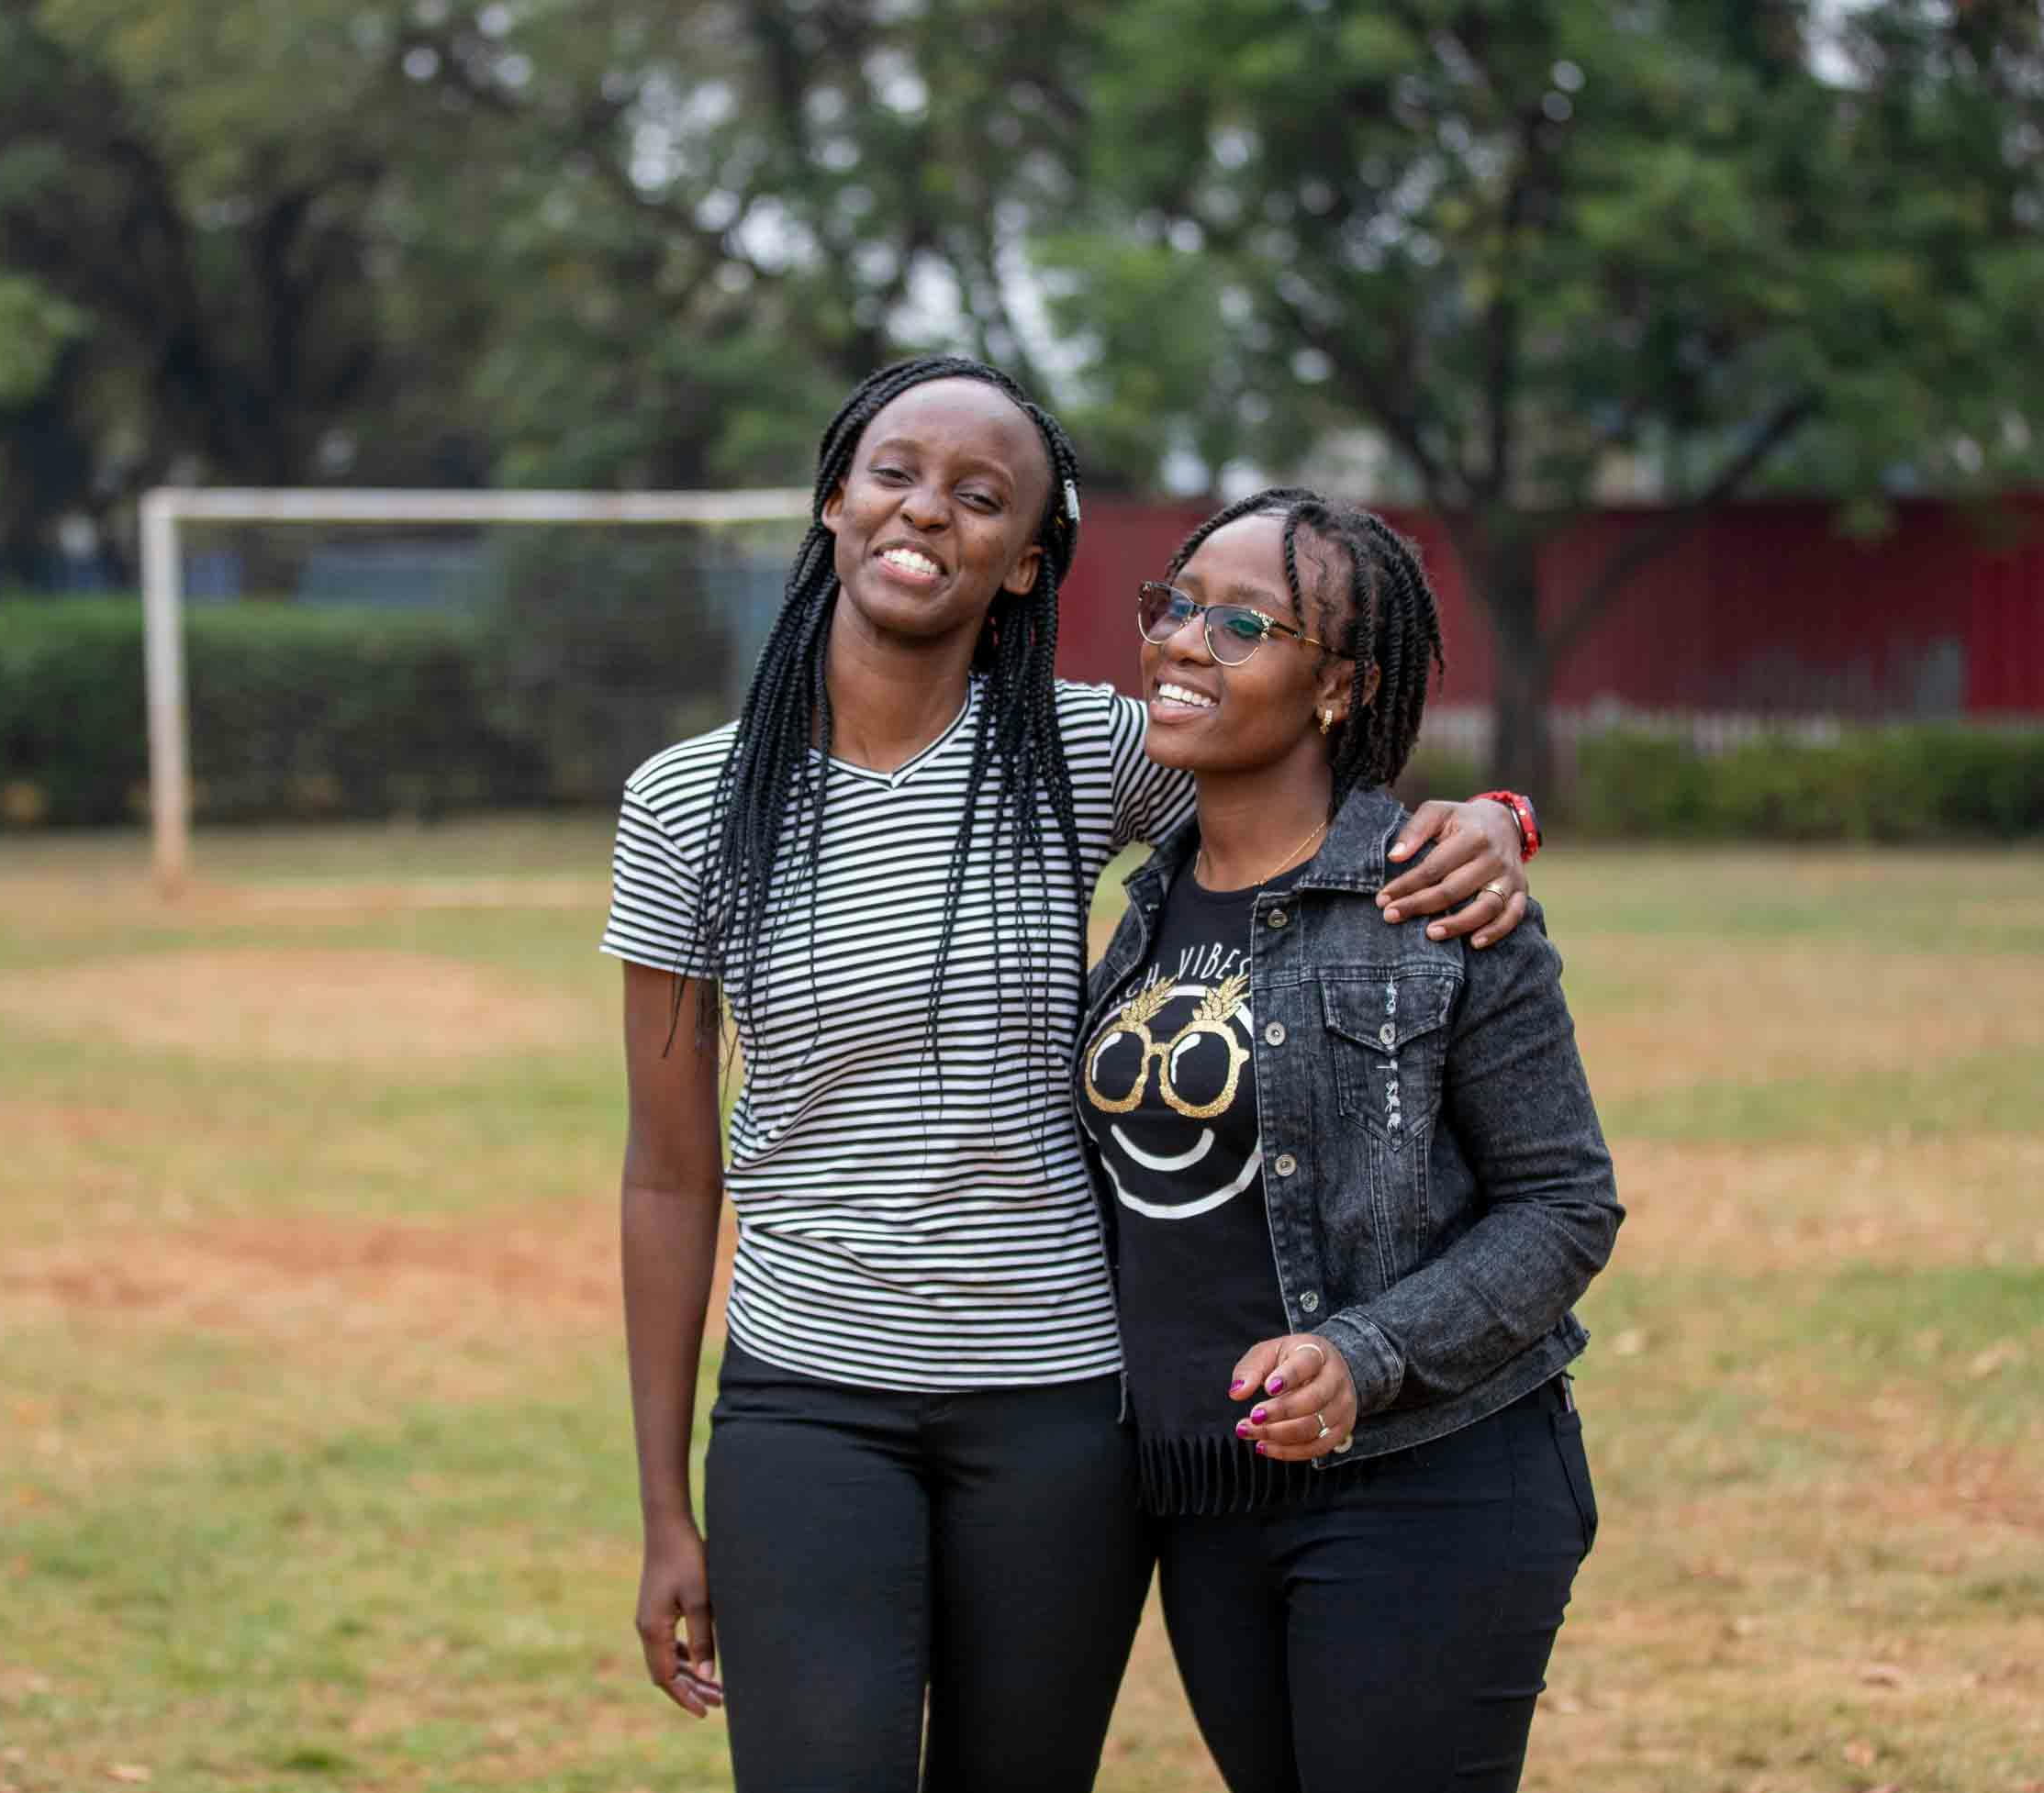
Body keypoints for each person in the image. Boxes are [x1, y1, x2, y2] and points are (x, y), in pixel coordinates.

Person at [603, 358, 1538, 1793]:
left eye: (982, 497)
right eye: (894, 471)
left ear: (1027, 560)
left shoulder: (1086, 751)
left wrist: (1492, 817)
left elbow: (1320, 813)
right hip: (807, 1393)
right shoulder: (687, 802)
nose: (928, 511)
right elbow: (669, 1169)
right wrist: (666, 1506)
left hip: (1061, 1406)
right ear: (834, 498)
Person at [1076, 487, 1620, 1793]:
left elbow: (1562, 1203)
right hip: (1207, 1499)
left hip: (1421, 1485)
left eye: (1244, 622)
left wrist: (1358, 1355)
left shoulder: (1430, 896)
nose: (1184, 640)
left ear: (1337, 688)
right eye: (1176, 603)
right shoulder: (1146, 898)